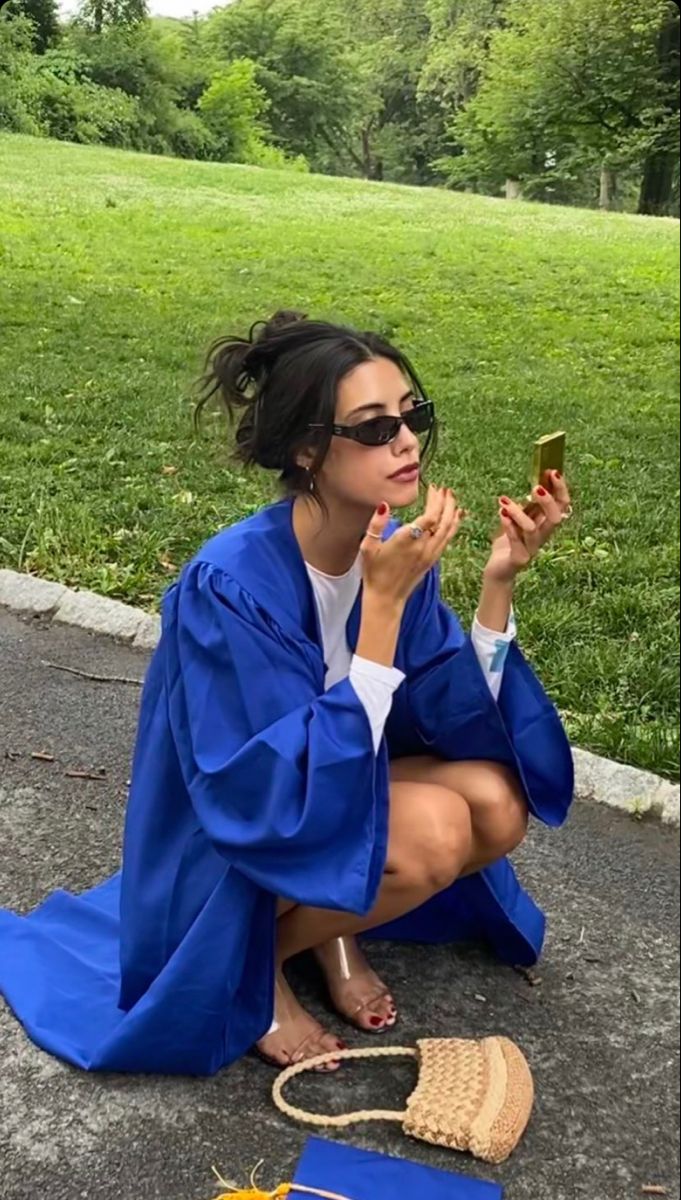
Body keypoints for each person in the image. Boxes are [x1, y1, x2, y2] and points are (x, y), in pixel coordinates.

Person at [0, 311, 574, 1077]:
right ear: (308, 450)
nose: (405, 441)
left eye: (412, 415)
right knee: (435, 830)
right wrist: (379, 614)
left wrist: (498, 580)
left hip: (328, 795)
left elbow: (442, 713)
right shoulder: (230, 584)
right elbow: (260, 786)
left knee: (498, 805)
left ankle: (323, 931)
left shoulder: (394, 551)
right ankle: (249, 964)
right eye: (372, 428)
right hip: (229, 830)